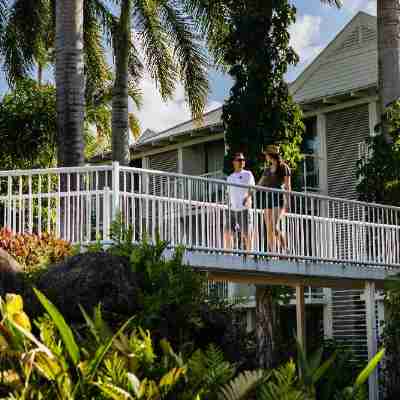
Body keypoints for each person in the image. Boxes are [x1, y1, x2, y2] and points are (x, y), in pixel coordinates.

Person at [257, 145, 291, 253]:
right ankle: (272, 252)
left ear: (271, 156)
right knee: (269, 228)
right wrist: (249, 192)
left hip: (278, 198)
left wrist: (287, 202)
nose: (265, 157)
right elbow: (259, 184)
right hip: (267, 199)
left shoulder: (283, 167)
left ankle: (285, 248)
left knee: (274, 226)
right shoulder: (267, 170)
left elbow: (287, 185)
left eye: (266, 155)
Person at [224, 152, 255, 251]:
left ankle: (250, 254)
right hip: (232, 209)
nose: (242, 162)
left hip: (244, 208)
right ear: (234, 162)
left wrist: (247, 198)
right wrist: (226, 203)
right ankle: (229, 253)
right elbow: (228, 193)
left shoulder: (248, 174)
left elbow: (252, 189)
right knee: (227, 231)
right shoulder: (230, 177)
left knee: (246, 233)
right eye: (239, 160)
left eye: (243, 160)